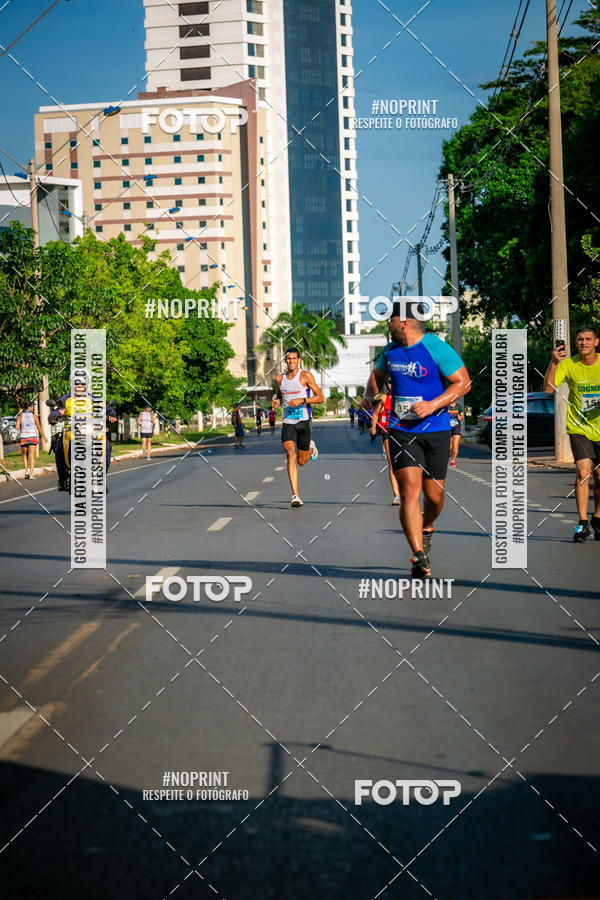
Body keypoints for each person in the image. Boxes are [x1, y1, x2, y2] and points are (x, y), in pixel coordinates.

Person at [364, 300, 471, 577]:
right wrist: (370, 395)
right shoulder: (389, 351)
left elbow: (464, 382)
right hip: (402, 429)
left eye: (390, 320)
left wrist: (433, 405)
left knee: (433, 496)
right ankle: (419, 554)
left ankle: (427, 525)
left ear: (404, 321)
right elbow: (376, 376)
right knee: (409, 491)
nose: (387, 325)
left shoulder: (435, 347)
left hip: (435, 428)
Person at [544, 324, 600, 543]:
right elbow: (548, 388)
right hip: (579, 428)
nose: (583, 342)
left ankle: (597, 518)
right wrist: (555, 362)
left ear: (596, 342)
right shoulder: (569, 364)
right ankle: (583, 522)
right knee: (584, 471)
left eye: (588, 339)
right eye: (579, 339)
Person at [272, 347, 323, 507]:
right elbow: (280, 396)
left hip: (303, 422)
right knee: (289, 454)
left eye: (294, 359)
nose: (291, 361)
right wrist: (277, 402)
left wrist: (302, 400)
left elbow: (320, 397)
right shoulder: (280, 379)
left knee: (302, 461)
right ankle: (295, 495)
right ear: (285, 360)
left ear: (299, 360)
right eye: (288, 359)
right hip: (288, 422)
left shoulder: (305, 376)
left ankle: (310, 448)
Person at [48, 385, 117, 491]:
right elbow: (56, 411)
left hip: (92, 429)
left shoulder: (94, 398)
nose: (79, 386)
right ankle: (62, 479)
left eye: (82, 383)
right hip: (70, 430)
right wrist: (54, 416)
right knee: (59, 448)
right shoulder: (65, 399)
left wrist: (111, 414)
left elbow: (107, 408)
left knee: (107, 447)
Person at [371, 387, 401, 505]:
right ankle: (397, 495)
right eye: (389, 382)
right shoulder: (384, 398)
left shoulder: (405, 395)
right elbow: (375, 414)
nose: (391, 384)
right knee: (392, 463)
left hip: (404, 433)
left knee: (404, 463)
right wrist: (373, 428)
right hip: (388, 432)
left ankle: (406, 491)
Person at [16, 400, 44, 479]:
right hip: (32, 437)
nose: (33, 408)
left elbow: (17, 427)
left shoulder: (20, 416)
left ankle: (26, 471)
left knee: (25, 455)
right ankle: (31, 474)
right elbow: (39, 428)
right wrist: (44, 437)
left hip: (24, 437)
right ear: (30, 407)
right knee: (32, 456)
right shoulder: (34, 416)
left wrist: (22, 425)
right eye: (33, 406)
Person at [447, 400, 464, 467]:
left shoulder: (458, 406)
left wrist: (460, 417)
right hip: (448, 427)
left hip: (456, 427)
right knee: (449, 446)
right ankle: (449, 454)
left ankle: (453, 461)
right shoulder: (446, 406)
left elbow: (462, 416)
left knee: (455, 445)